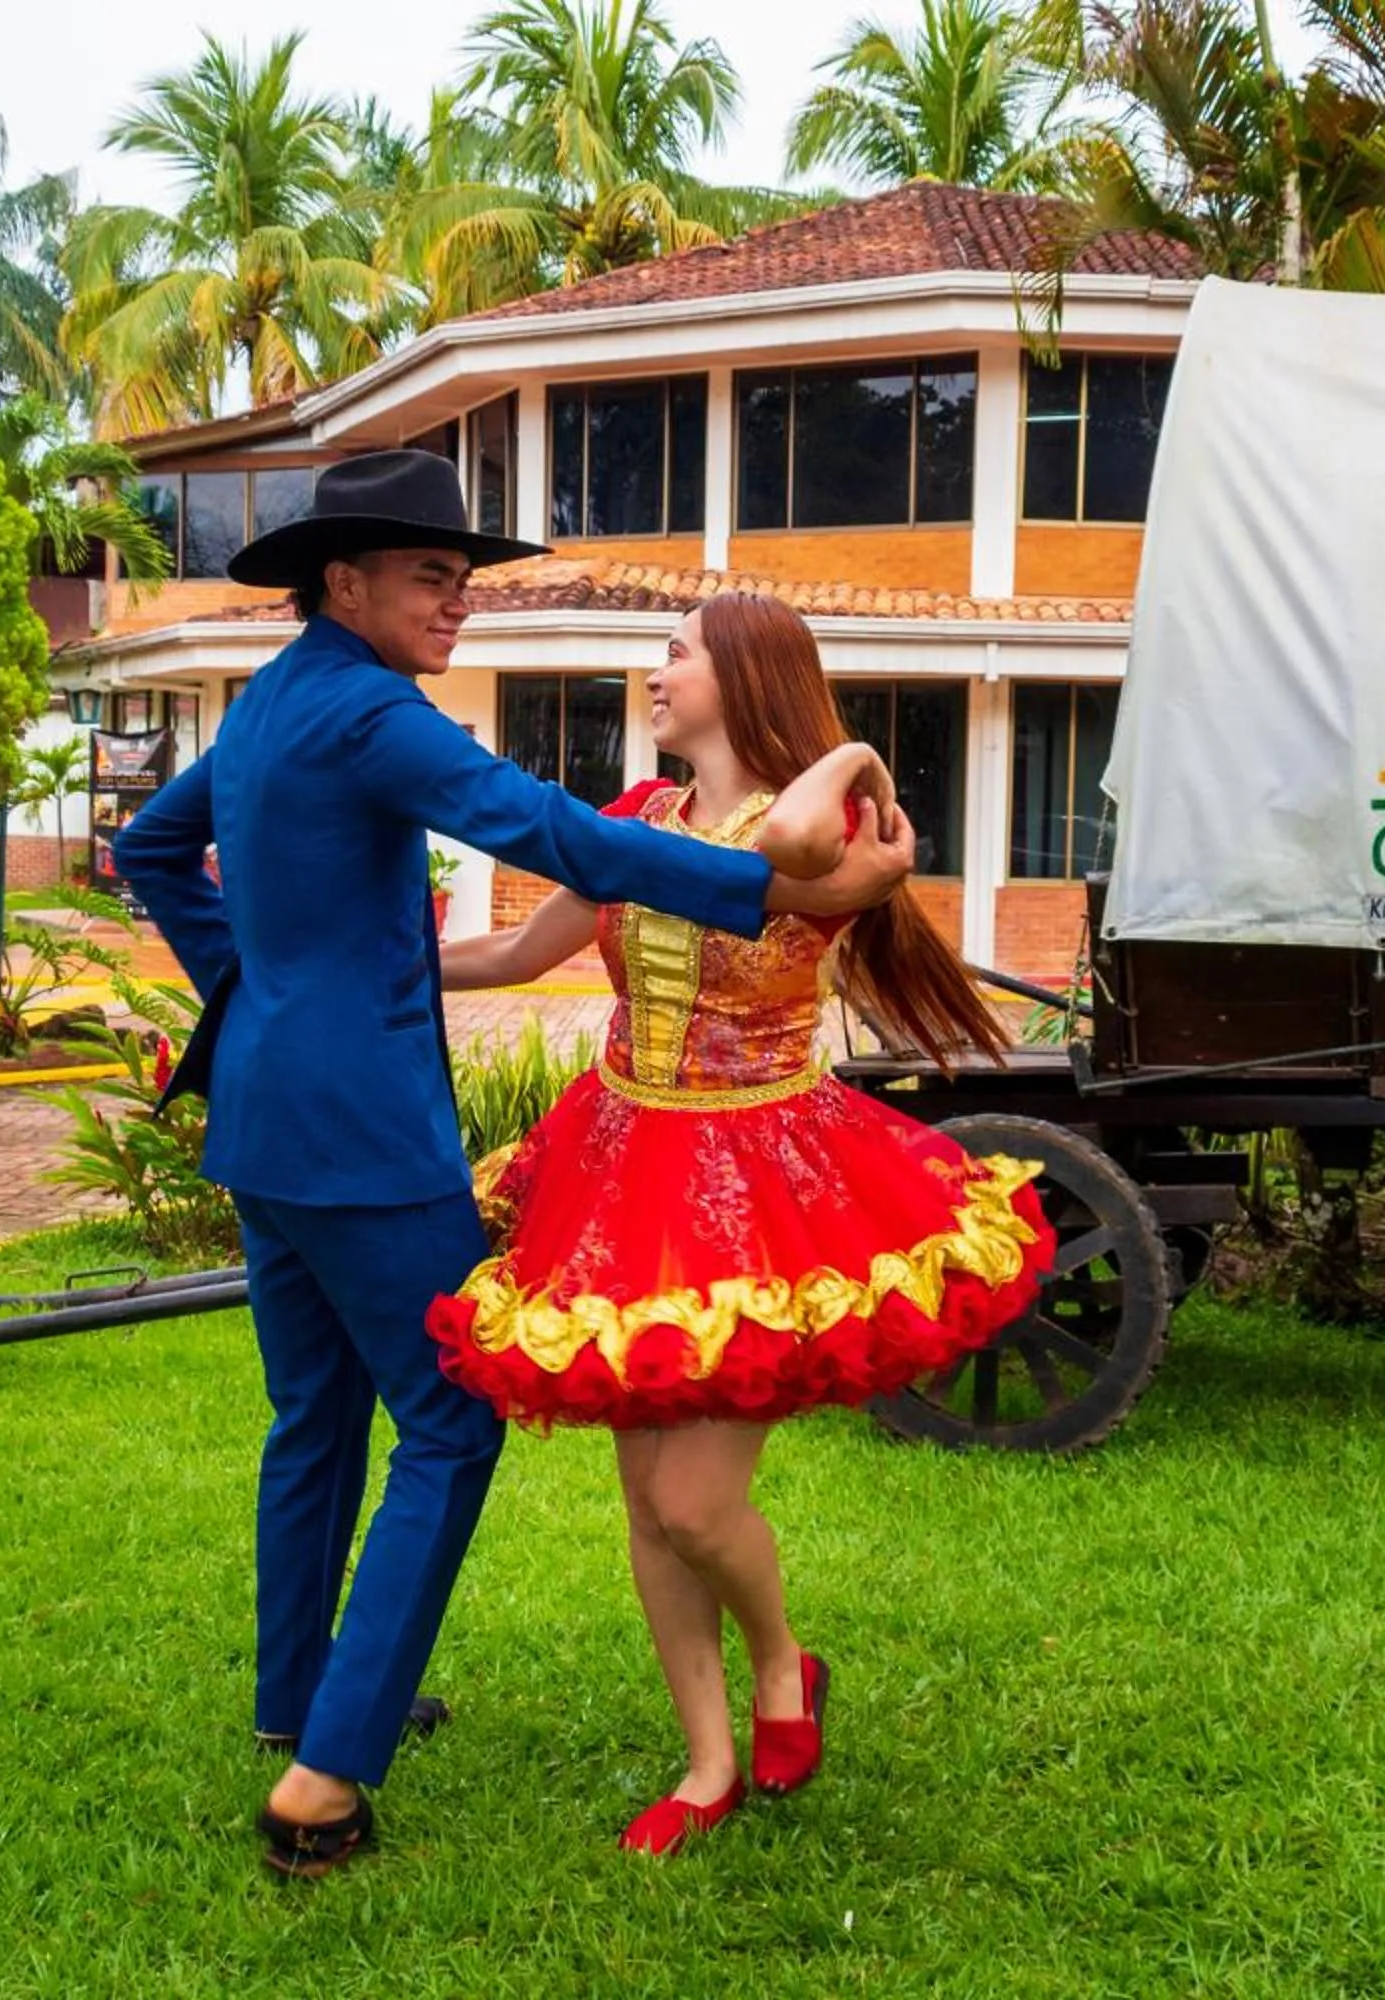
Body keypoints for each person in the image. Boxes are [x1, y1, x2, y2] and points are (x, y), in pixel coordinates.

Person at [109, 454, 919, 1881]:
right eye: (432, 578)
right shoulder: (368, 712)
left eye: (464, 580)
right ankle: (323, 1777)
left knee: (313, 1422)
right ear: (343, 581)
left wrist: (263, 987)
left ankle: (297, 1696)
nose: (459, 604)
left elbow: (153, 848)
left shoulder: (275, 700)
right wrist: (782, 890)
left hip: (263, 1118)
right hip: (362, 1136)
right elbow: (538, 829)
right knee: (447, 1424)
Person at [428, 590, 1055, 1856]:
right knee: (647, 1500)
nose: (654, 674)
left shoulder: (825, 836)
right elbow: (508, 959)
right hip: (617, 1161)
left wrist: (865, 753)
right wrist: (334, 953)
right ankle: (706, 1758)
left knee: (699, 1501)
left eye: (678, 654)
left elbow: (796, 829)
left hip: (761, 1176)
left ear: (747, 677)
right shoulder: (631, 822)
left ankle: (784, 1664)